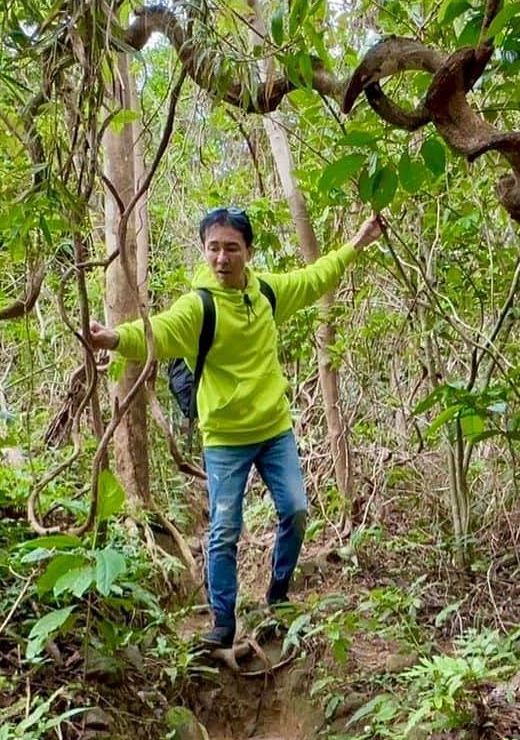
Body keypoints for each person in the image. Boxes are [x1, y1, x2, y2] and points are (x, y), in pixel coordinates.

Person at [89, 205, 385, 649]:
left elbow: (315, 278)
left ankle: (278, 596)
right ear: (203, 251)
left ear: (248, 251)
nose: (222, 259)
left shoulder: (266, 293)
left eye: (231, 248)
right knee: (225, 529)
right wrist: (112, 338)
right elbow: (156, 332)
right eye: (213, 249)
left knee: (296, 511)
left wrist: (358, 242)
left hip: (274, 430)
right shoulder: (197, 307)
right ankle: (222, 622)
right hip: (225, 438)